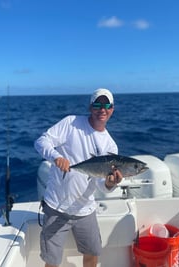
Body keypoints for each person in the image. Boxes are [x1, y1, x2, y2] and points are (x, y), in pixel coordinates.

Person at [34, 88, 123, 267]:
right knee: (51, 261)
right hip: (56, 207)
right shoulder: (71, 123)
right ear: (90, 107)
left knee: (92, 254)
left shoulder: (110, 145)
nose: (102, 109)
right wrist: (56, 157)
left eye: (107, 105)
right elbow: (41, 141)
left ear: (112, 109)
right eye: (98, 104)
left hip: (85, 210)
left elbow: (100, 183)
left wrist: (109, 183)